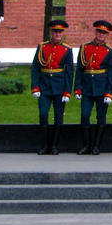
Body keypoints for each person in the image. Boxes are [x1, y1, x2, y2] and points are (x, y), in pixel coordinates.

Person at [73, 20, 112, 155]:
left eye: (103, 33)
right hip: (87, 87)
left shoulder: (110, 51)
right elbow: (80, 69)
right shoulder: (85, 47)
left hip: (102, 88)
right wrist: (77, 88)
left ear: (107, 35)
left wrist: (109, 92)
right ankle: (86, 145)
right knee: (85, 115)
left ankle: (96, 146)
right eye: (99, 32)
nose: (100, 35)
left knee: (101, 117)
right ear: (95, 32)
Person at [30, 19, 73, 155]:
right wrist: (35, 87)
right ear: (51, 32)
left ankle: (54, 146)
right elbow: (36, 67)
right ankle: (44, 145)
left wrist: (67, 91)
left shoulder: (67, 49)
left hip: (59, 88)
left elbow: (69, 72)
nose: (57, 34)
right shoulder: (42, 47)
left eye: (60, 32)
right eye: (55, 31)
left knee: (58, 117)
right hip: (44, 87)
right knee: (43, 114)